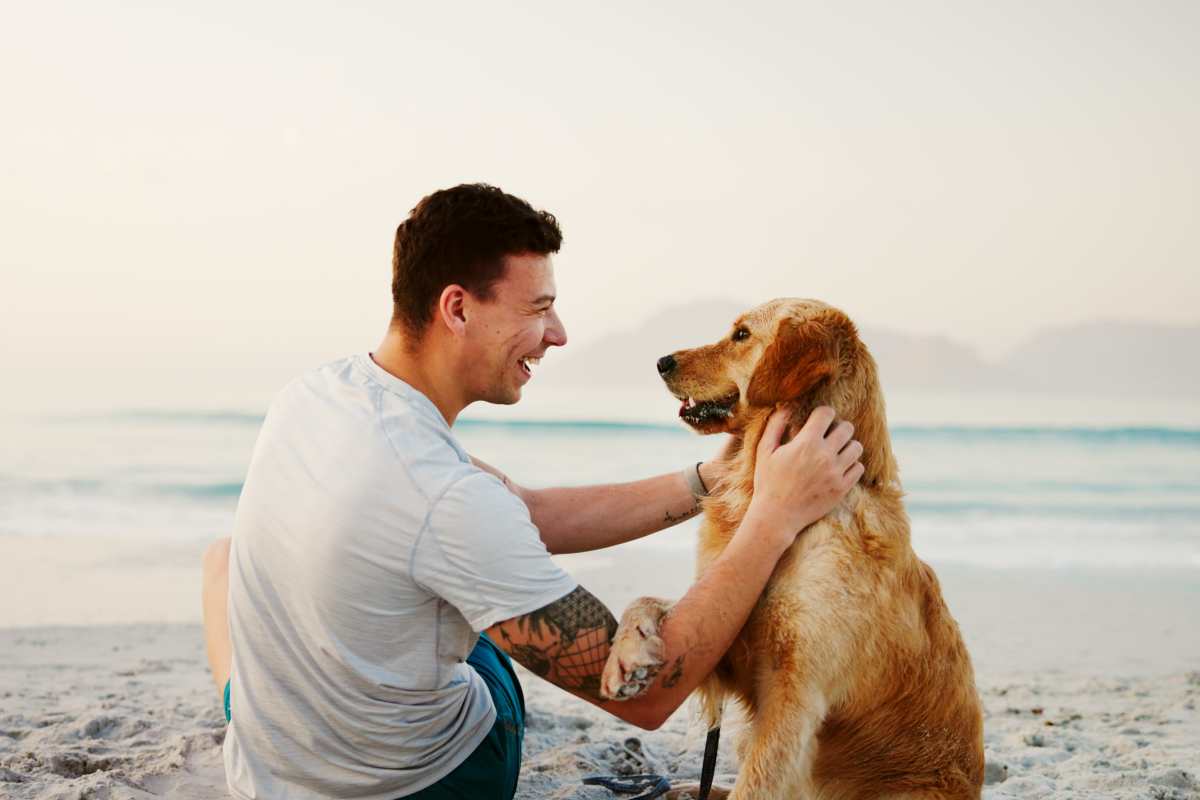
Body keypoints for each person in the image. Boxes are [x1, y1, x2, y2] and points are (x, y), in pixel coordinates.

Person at [200, 183, 864, 800]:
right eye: (539, 308)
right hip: (431, 780)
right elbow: (646, 695)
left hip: (268, 771)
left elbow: (525, 511)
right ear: (457, 307)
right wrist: (772, 518)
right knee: (489, 646)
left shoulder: (319, 396)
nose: (559, 334)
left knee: (225, 560)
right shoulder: (446, 501)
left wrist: (708, 482)